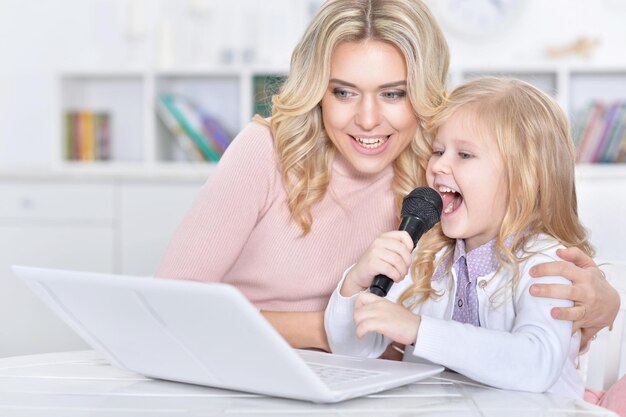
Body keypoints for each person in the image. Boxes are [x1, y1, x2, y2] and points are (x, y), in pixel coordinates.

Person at [155, 0, 618, 357]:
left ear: (422, 92)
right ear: (318, 91)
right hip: (244, 365)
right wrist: (337, 327)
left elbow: (513, 252)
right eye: (344, 92)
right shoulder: (265, 152)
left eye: (393, 93)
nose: (369, 119)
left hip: (376, 384)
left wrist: (603, 299)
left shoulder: (436, 173)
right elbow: (168, 306)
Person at [324, 77, 594, 398]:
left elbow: (535, 363)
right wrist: (354, 284)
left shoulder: (548, 263)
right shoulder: (429, 256)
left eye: (464, 155)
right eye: (439, 151)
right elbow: (355, 350)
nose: (438, 165)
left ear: (523, 179)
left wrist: (418, 330)